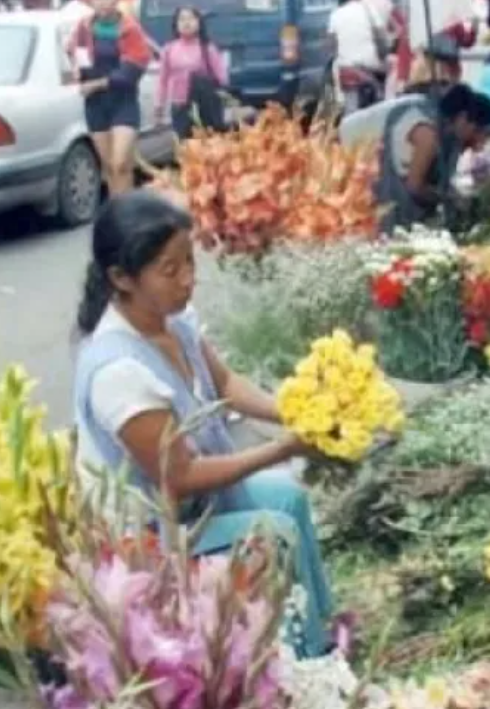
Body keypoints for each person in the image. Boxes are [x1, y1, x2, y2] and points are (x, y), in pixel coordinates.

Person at [73, 189, 333, 657]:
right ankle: (288, 675)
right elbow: (181, 477)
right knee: (274, 532)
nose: (188, 279)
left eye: (189, 262)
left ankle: (321, 643)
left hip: (195, 509)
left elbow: (226, 383)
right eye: (170, 270)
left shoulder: (174, 320)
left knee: (290, 499)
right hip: (151, 539)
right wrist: (284, 448)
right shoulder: (119, 372)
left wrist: (299, 414)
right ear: (121, 278)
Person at [373, 83, 490, 231]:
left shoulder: (449, 133)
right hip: (396, 208)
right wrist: (449, 199)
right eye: (476, 131)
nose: (478, 141)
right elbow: (415, 187)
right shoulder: (427, 135)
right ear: (462, 118)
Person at [68, 0, 151, 196]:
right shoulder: (84, 27)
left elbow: (130, 73)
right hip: (96, 104)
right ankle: (119, 212)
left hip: (123, 101)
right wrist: (76, 70)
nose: (104, 4)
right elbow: (76, 53)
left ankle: (128, 214)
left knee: (120, 162)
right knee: (109, 168)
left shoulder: (130, 29)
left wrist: (96, 84)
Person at [156, 7, 228, 139]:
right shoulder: (169, 49)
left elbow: (222, 78)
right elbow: (163, 80)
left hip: (206, 107)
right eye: (182, 19)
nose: (186, 23)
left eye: (191, 18)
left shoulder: (208, 48)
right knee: (186, 149)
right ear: (176, 24)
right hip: (180, 107)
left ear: (199, 23)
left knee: (211, 145)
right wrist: (160, 104)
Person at [328, 0, 391, 114]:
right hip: (371, 66)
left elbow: (332, 48)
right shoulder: (369, 10)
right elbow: (382, 39)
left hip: (347, 69)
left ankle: (341, 104)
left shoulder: (335, 15)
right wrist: (384, 55)